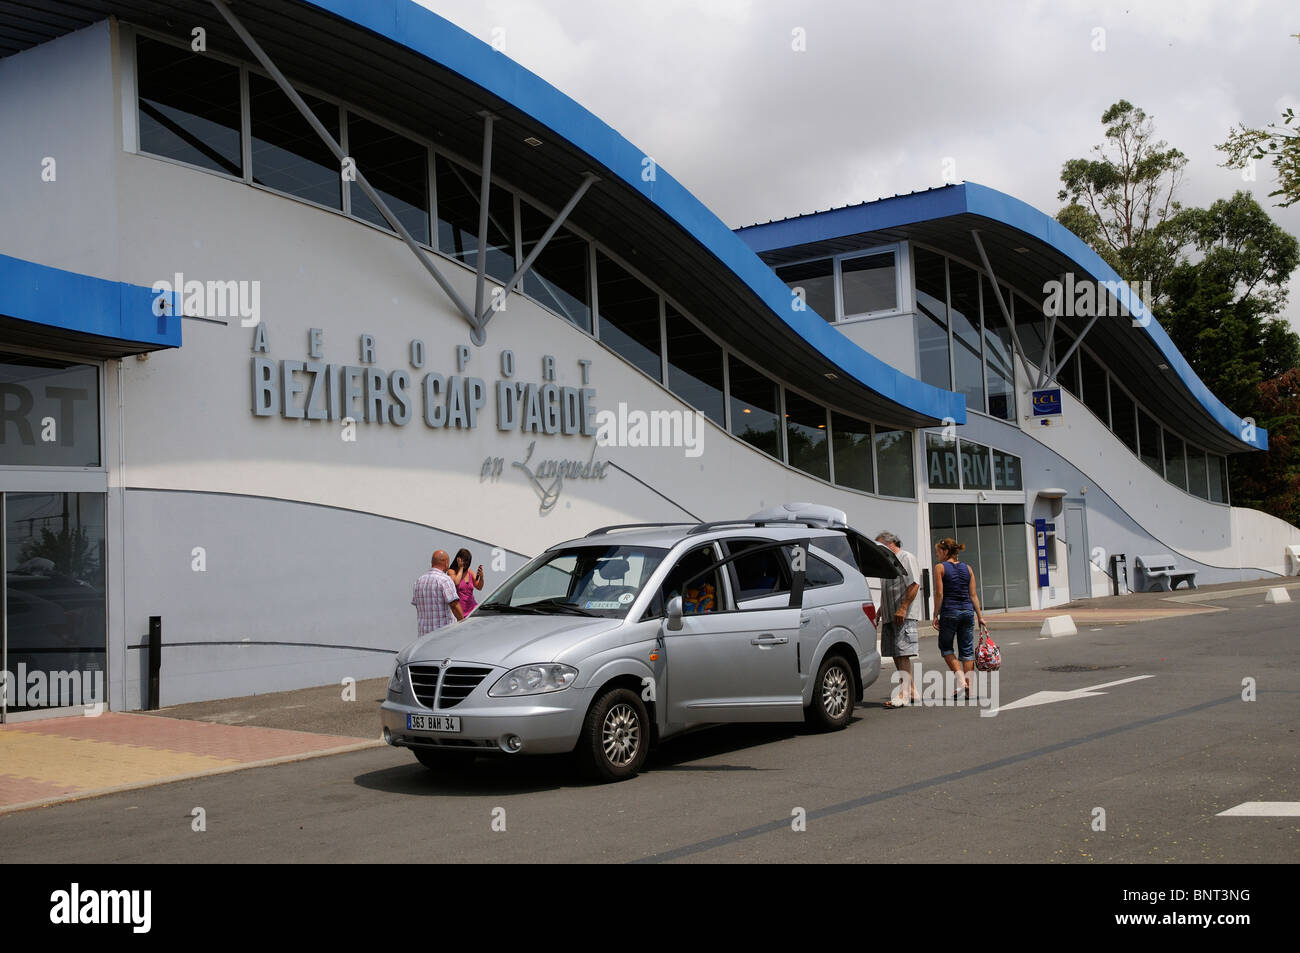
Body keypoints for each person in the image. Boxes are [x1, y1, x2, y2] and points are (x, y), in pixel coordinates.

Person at [931, 538, 986, 698]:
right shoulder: (967, 568)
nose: (937, 555)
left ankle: (961, 681)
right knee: (967, 650)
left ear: (945, 552)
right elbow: (973, 594)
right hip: (968, 612)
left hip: (950, 612)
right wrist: (980, 616)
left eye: (938, 552)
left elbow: (939, 594)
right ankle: (970, 689)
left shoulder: (940, 567)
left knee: (946, 647)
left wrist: (935, 614)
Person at [876, 531, 922, 707]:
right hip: (890, 615)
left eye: (880, 546)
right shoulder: (887, 563)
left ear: (890, 543)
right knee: (895, 652)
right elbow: (887, 591)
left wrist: (903, 608)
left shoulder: (906, 557)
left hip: (903, 614)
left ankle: (904, 693)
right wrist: (880, 611)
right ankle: (911, 691)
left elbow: (914, 584)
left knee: (902, 653)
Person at [411, 549, 463, 635]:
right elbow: (454, 605)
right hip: (442, 635)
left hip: (423, 635)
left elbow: (418, 607)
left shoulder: (419, 581)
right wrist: (463, 623)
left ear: (432, 562)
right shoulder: (445, 580)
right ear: (446, 562)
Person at [448, 548, 484, 616]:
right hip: (460, 613)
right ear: (458, 559)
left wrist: (481, 577)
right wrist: (461, 568)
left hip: (472, 610)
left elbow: (479, 587)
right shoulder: (451, 571)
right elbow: (456, 582)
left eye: (467, 562)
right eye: (464, 561)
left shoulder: (470, 572)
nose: (466, 564)